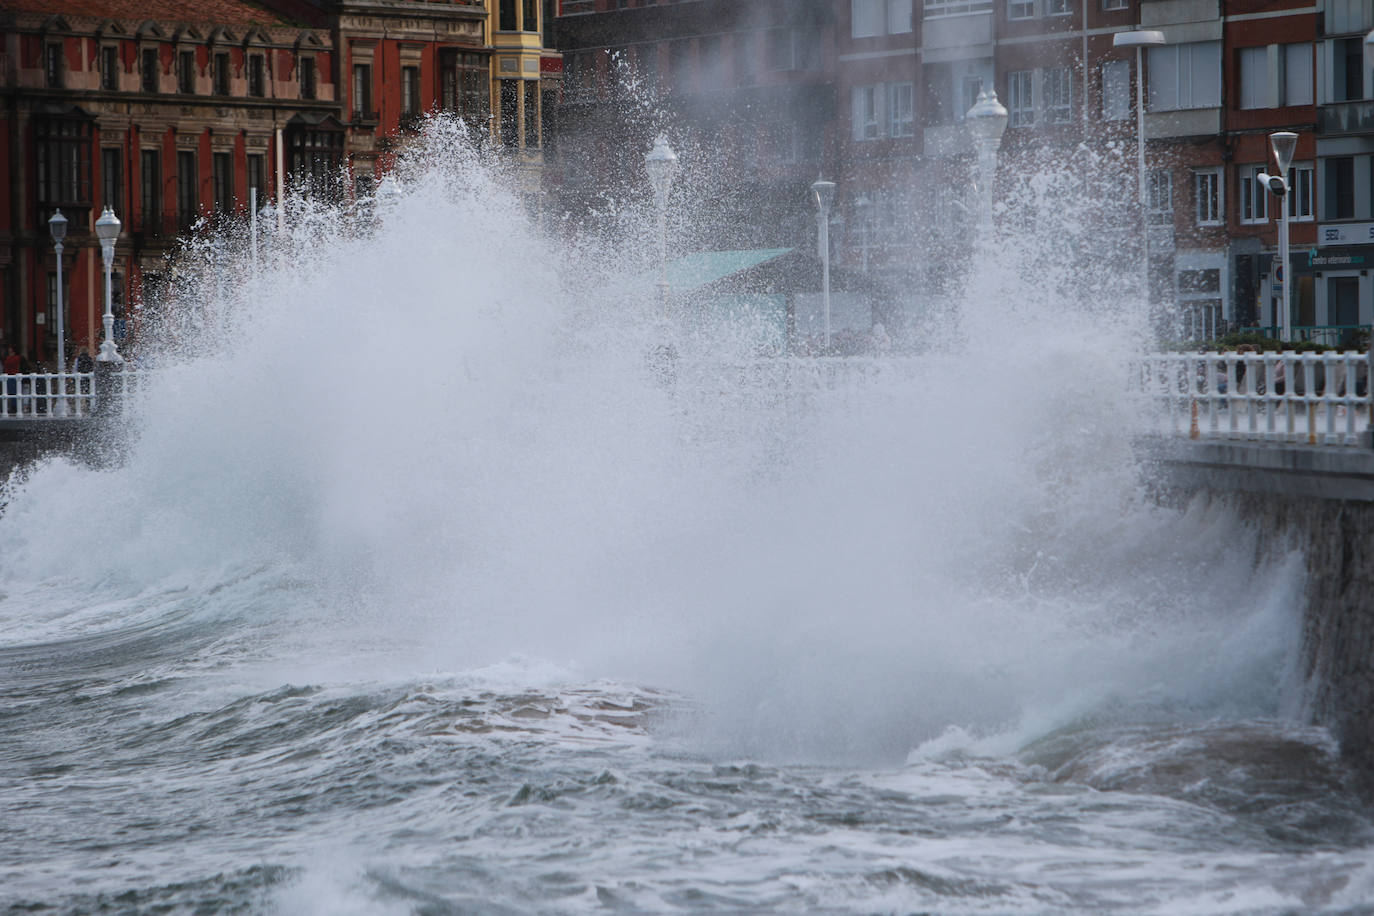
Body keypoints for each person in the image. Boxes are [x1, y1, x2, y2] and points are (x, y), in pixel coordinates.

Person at [3, 344, 20, 415]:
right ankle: (12, 406)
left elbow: (7, 363)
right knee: (10, 392)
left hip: (12, 376)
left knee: (13, 392)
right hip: (9, 376)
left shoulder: (15, 358)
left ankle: (14, 407)